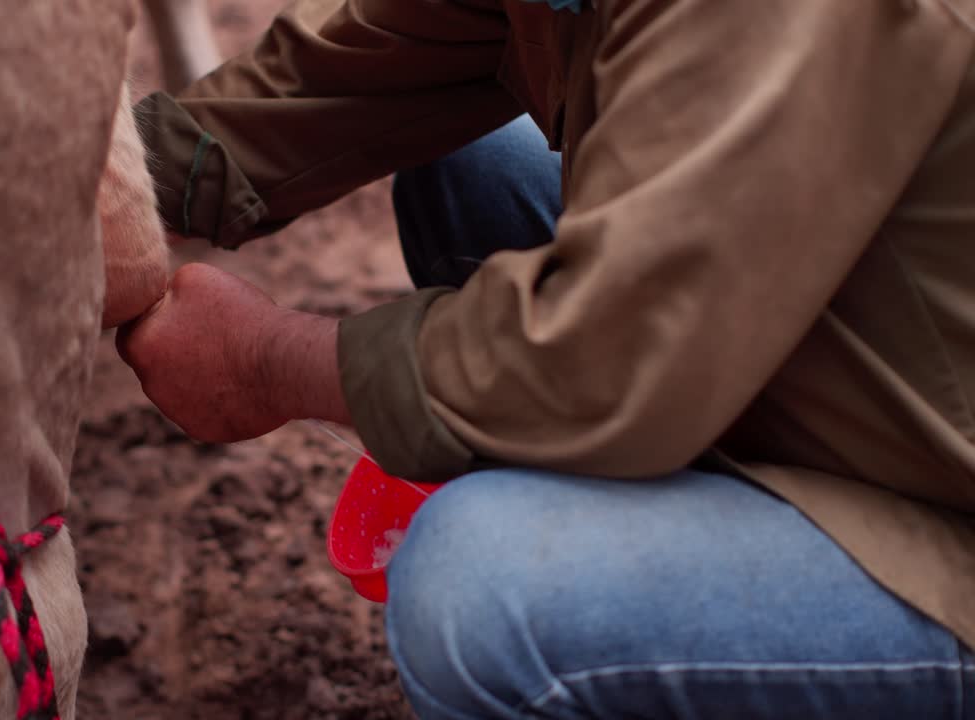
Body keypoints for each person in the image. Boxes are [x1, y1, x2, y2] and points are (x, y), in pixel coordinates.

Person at [106, 0, 975, 717]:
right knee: (483, 170)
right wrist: (91, 196)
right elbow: (330, 82)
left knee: (481, 589)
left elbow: (607, 361)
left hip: (938, 526)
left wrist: (272, 365)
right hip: (825, 384)